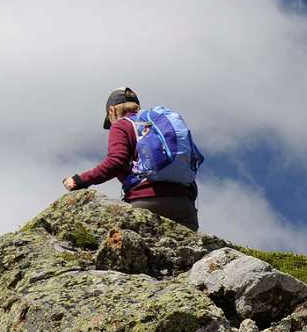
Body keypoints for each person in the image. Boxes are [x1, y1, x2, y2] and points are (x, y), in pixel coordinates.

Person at [62, 87, 202, 230]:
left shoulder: (123, 125)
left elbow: (116, 162)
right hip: (185, 205)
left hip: (146, 201)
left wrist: (79, 180)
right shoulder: (158, 124)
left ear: (112, 110)